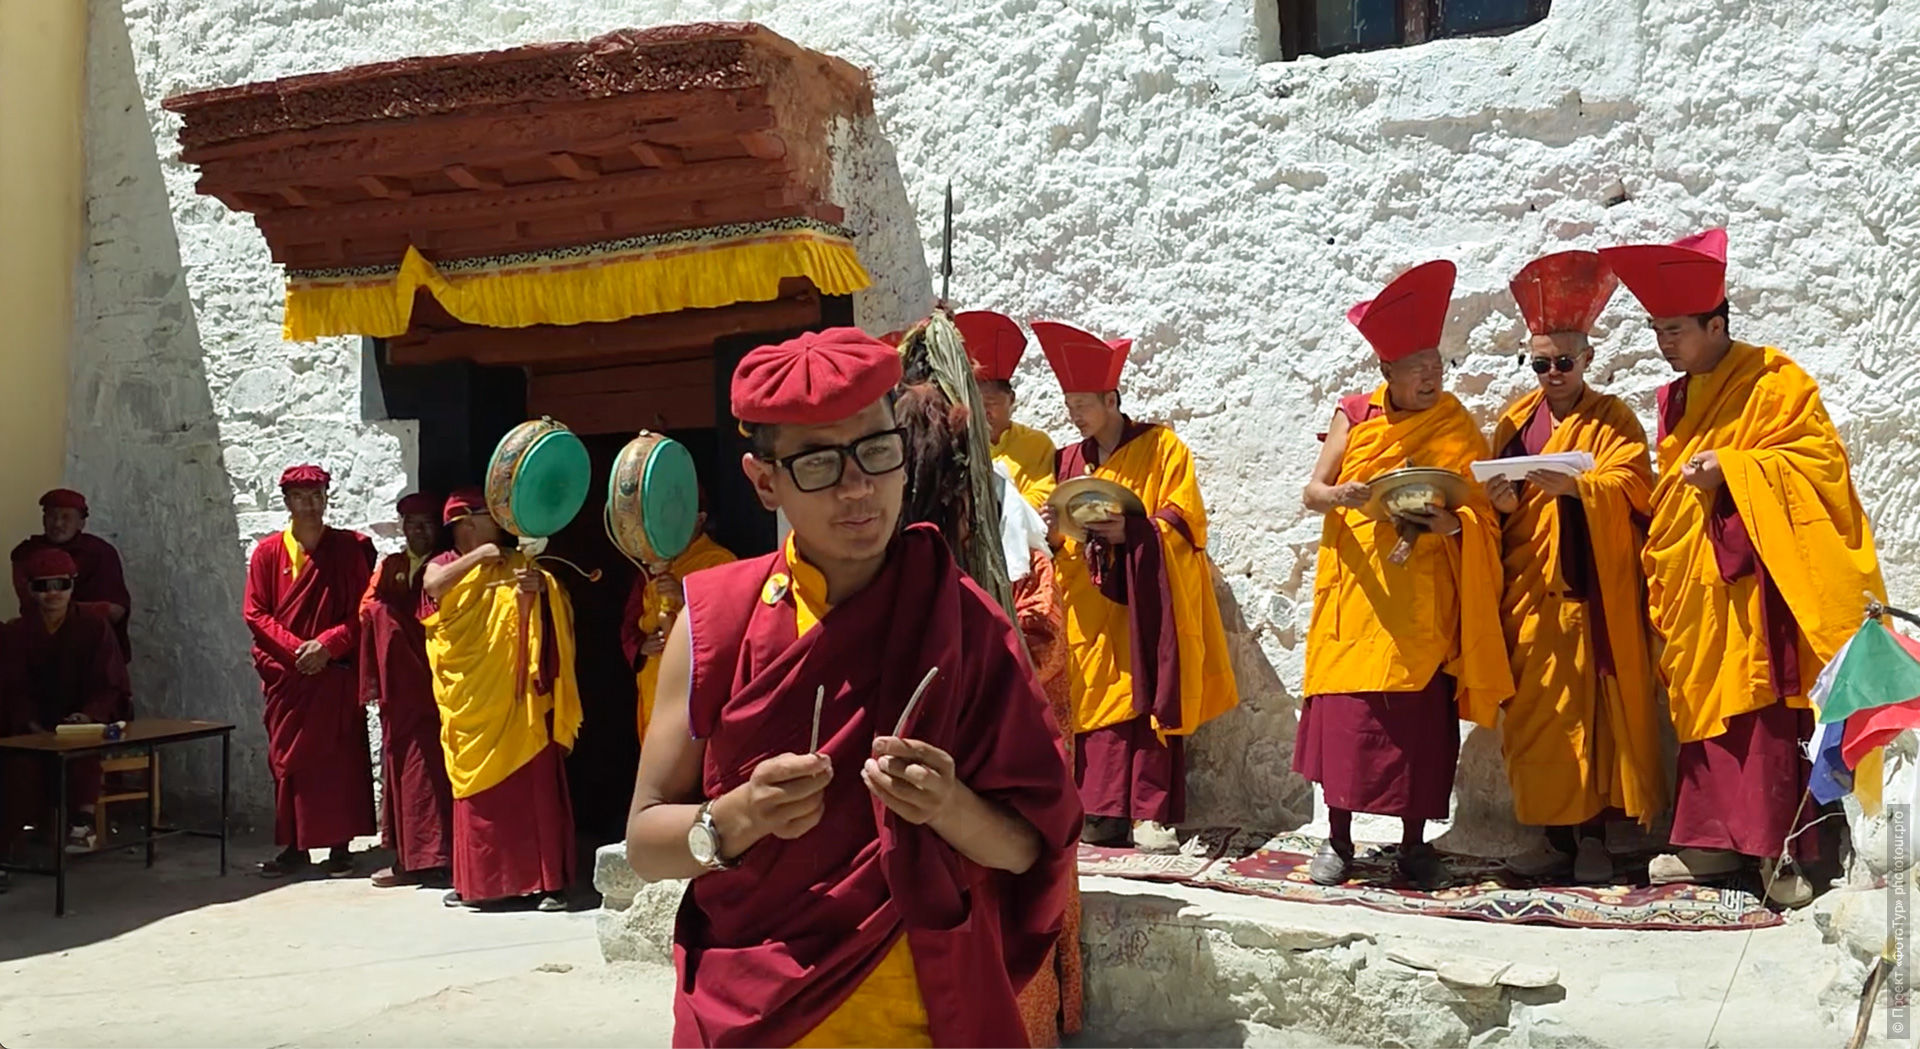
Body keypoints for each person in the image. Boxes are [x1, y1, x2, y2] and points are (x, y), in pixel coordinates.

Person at [623, 328, 1082, 1048]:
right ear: (764, 478)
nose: (858, 487)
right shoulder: (717, 620)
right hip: (757, 1013)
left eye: (875, 451)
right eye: (817, 463)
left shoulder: (962, 618)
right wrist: (738, 815)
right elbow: (646, 842)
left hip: (924, 1013)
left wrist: (950, 806)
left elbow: (1033, 849)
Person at [1599, 228, 1883, 907]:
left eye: (1674, 329)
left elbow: (1817, 467)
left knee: (1757, 715)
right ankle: (1711, 842)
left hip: (1753, 587)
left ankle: (1778, 849)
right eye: (1656, 329)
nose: (1663, 342)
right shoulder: (1675, 399)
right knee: (1705, 714)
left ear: (1715, 323)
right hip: (1698, 583)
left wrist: (1736, 466)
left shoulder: (1772, 381)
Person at [1294, 260, 1513, 891]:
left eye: (1436, 368)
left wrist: (1452, 526)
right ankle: (1338, 841)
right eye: (1417, 370)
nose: (1429, 380)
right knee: (1348, 718)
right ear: (1386, 373)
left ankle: (1415, 845)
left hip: (1423, 602)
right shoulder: (1355, 416)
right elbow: (1313, 490)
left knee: (1418, 725)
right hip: (1360, 591)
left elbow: (1480, 512)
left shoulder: (1453, 425)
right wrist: (1345, 496)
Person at [895, 375, 1083, 1046]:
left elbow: (1046, 638)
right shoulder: (878, 544)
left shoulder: (1008, 515)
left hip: (1006, 740)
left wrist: (986, 654)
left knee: (1018, 873)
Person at [1486, 251, 1667, 884]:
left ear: (1588, 361)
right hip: (1528, 595)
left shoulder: (1612, 418)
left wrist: (1578, 490)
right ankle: (1550, 837)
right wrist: (1502, 503)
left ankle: (1593, 838)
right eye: (1541, 363)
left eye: (1565, 362)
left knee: (1590, 719)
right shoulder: (1514, 421)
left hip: (1585, 594)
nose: (1553, 373)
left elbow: (1635, 487)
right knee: (1538, 724)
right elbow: (1492, 506)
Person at [1034, 320, 1239, 854]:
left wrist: (1135, 530)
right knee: (1092, 702)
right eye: (1069, 404)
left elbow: (1185, 517)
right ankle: (1101, 811)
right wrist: (1052, 525)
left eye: (1083, 404)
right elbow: (1053, 532)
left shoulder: (1161, 446)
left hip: (1143, 598)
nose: (1074, 415)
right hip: (1087, 599)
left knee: (1147, 691)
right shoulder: (1067, 462)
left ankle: (1149, 816)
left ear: (1111, 397)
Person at [421, 488, 580, 912]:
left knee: (533, 788)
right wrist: (481, 556)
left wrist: (539, 590)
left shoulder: (518, 563)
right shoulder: (447, 564)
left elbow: (555, 609)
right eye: (491, 518)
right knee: (476, 795)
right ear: (466, 523)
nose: (502, 526)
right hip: (472, 699)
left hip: (519, 698)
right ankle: (478, 883)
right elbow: (433, 587)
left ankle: (547, 884)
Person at [242, 464, 377, 878]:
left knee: (339, 759)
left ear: (326, 498)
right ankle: (295, 847)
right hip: (290, 674)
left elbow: (364, 610)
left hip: (332, 671)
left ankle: (340, 846)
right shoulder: (268, 553)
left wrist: (329, 644)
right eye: (301, 497)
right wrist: (297, 649)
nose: (310, 504)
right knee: (289, 761)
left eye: (317, 495)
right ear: (286, 502)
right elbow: (255, 612)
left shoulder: (347, 549)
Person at [0, 548, 132, 854]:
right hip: (32, 726)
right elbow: (12, 688)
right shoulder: (16, 632)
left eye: (60, 585)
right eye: (42, 586)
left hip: (83, 721)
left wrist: (87, 716)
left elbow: (109, 684)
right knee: (19, 766)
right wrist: (31, 724)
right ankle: (8, 847)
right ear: (30, 590)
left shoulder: (94, 626)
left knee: (79, 750)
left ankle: (80, 823)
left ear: (72, 585)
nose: (52, 594)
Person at [359, 491, 453, 889]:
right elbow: (370, 607)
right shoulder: (391, 566)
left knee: (435, 770)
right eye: (412, 525)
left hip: (437, 685)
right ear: (402, 529)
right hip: (401, 689)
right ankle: (408, 860)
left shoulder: (446, 566)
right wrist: (385, 614)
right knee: (405, 770)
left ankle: (442, 857)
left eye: (428, 524)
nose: (420, 532)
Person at [620, 491, 735, 743]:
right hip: (655, 683)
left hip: (695, 686)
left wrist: (685, 599)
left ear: (700, 519)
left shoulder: (719, 561)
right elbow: (630, 624)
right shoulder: (651, 566)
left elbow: (730, 624)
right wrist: (642, 646)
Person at [12, 489, 132, 658]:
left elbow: (115, 611)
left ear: (81, 523)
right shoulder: (26, 553)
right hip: (41, 644)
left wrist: (66, 611)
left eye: (66, 517)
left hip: (91, 647)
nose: (58, 524)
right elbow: (29, 603)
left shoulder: (100, 553)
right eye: (52, 516)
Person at [958, 310, 1057, 511]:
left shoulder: (1036, 444)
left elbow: (1044, 495)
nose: (983, 412)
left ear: (1011, 399)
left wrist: (999, 509)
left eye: (990, 403)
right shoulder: (958, 443)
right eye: (975, 404)